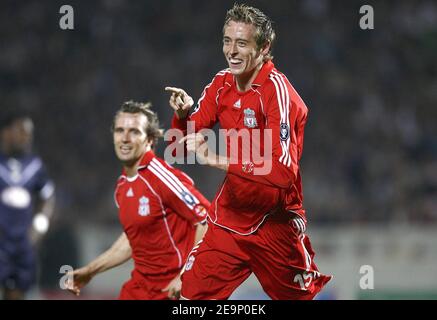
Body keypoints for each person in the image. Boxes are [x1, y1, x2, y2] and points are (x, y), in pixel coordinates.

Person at [165, 4, 331, 300]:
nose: (232, 51)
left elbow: (283, 172)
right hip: (228, 221)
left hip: (274, 224)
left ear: (264, 47)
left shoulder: (277, 91)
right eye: (227, 41)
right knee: (188, 299)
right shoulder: (221, 83)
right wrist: (183, 115)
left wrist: (220, 160)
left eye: (242, 43)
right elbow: (179, 147)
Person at [66, 101, 209, 300]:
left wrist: (186, 276)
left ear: (149, 139)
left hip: (172, 290)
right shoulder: (122, 185)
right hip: (140, 289)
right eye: (119, 130)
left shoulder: (160, 177)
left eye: (134, 131)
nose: (124, 138)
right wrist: (90, 270)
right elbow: (132, 240)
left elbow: (206, 221)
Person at [0, 109, 55, 300]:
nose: (27, 137)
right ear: (6, 133)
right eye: (21, 131)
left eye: (29, 133)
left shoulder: (35, 165)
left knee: (17, 293)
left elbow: (47, 197)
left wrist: (40, 224)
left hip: (22, 244)